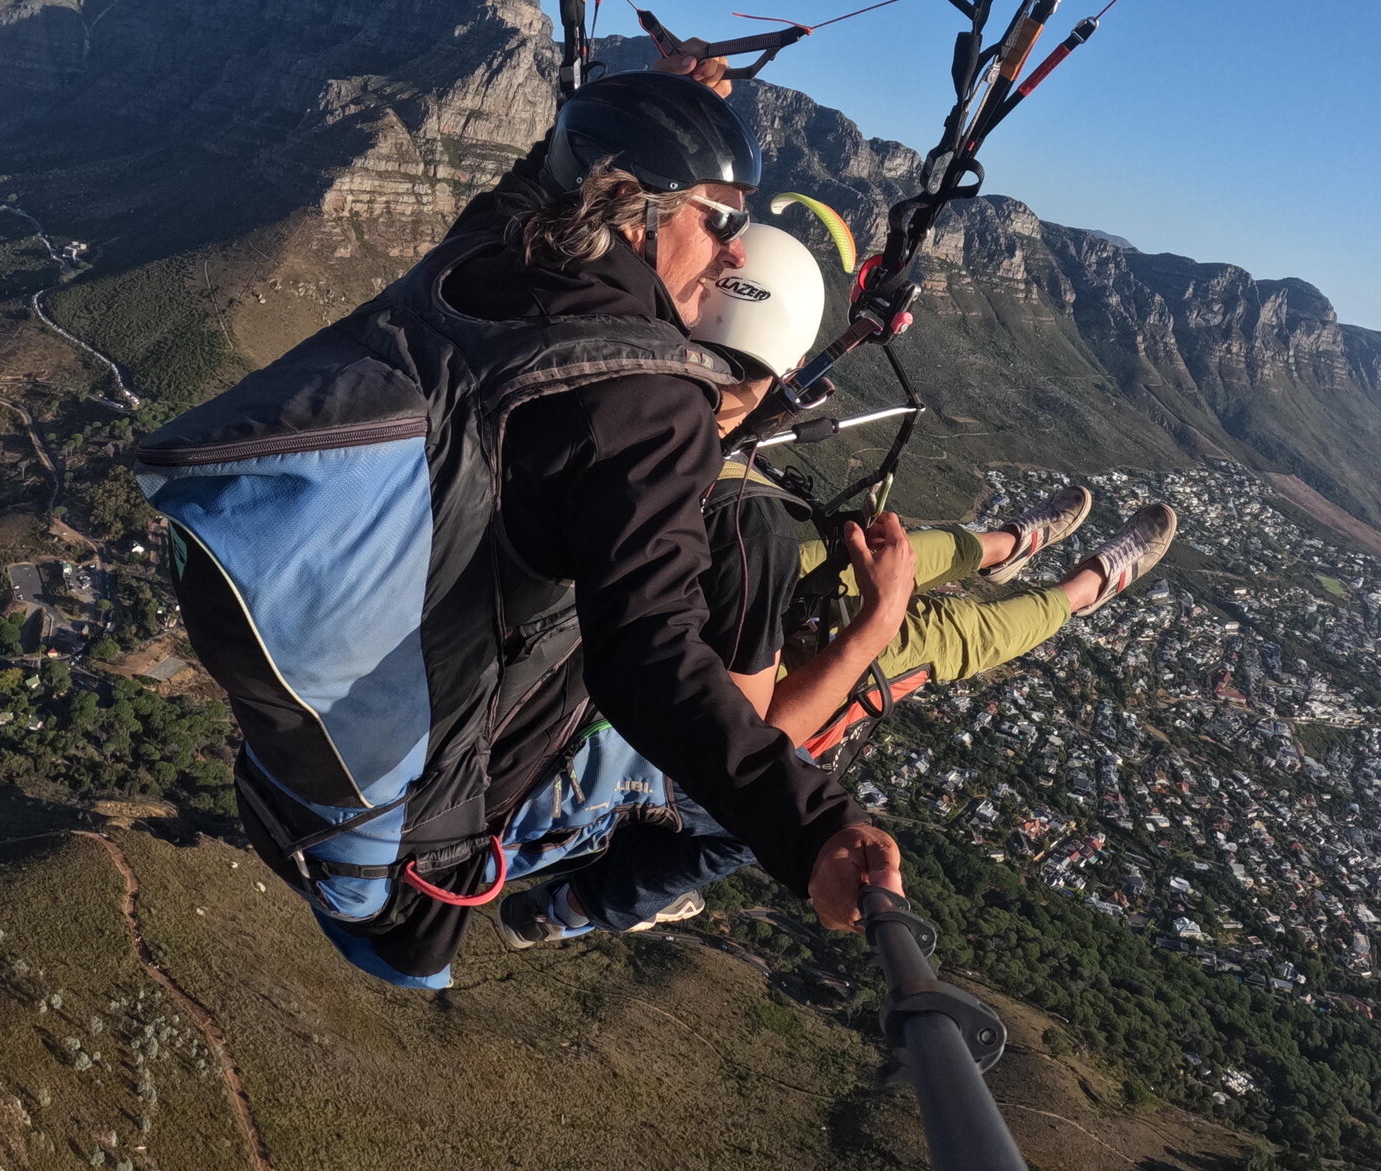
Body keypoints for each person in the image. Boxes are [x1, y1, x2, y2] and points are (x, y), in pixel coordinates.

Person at [137, 71, 901, 992]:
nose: (734, 246)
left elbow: (541, 176)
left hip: (301, 797)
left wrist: (654, 111)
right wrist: (813, 824)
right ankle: (577, 906)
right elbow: (649, 658)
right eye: (723, 215)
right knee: (755, 775)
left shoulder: (482, 256)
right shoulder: (650, 402)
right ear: (640, 209)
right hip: (421, 859)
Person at [496, 221, 1176, 945]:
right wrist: (870, 631)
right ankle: (1080, 590)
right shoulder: (741, 519)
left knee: (878, 556)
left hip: (574, 677)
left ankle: (1007, 544)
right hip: (627, 723)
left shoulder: (586, 401)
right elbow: (754, 744)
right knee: (933, 637)